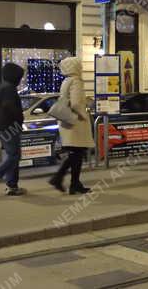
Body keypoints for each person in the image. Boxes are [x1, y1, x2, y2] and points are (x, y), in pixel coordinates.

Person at [49, 56, 94, 194]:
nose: (81, 68)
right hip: (76, 123)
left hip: (66, 122)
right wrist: (83, 114)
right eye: (80, 65)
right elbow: (75, 103)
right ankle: (63, 179)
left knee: (75, 154)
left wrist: (84, 101)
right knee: (77, 153)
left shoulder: (66, 80)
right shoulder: (76, 81)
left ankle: (71, 182)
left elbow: (70, 100)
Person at [0, 63, 25, 196]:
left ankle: (12, 186)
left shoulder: (1, 87)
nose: (20, 80)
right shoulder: (9, 89)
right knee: (14, 155)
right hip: (9, 126)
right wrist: (19, 119)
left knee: (12, 155)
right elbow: (10, 107)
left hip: (2, 125)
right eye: (19, 77)